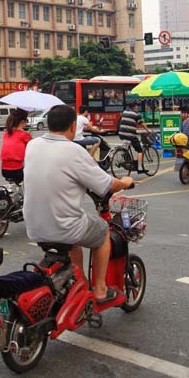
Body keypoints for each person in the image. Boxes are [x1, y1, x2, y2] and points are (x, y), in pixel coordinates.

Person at [23, 104, 135, 303]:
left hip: (34, 226)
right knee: (101, 232)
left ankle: (78, 282)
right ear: (73, 126)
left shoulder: (32, 145)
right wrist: (125, 182)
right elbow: (107, 184)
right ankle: (100, 289)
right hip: (63, 226)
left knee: (75, 241)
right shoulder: (73, 151)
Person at [0, 109, 32, 184]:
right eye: (26, 121)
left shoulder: (6, 133)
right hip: (17, 170)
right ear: (22, 122)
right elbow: (33, 147)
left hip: (4, 170)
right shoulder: (24, 135)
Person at [118, 102, 149, 174]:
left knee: (129, 144)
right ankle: (140, 168)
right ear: (135, 106)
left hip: (121, 134)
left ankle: (125, 155)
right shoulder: (136, 114)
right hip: (130, 135)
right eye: (137, 106)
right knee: (139, 150)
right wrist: (148, 130)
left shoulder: (125, 112)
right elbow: (142, 123)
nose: (137, 107)